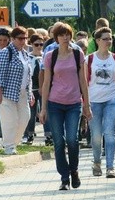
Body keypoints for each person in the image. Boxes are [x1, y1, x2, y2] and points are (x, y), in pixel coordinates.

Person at [39, 22, 91, 190]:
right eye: (61, 35)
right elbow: (46, 83)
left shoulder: (78, 54)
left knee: (72, 139)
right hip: (54, 103)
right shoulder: (50, 56)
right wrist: (44, 108)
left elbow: (83, 80)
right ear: (56, 38)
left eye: (68, 34)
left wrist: (87, 105)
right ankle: (64, 177)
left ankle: (74, 170)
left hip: (74, 103)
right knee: (59, 141)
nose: (65, 37)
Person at [87, 27, 115, 179]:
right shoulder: (89, 59)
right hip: (94, 101)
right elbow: (84, 82)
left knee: (109, 133)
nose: (108, 41)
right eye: (105, 39)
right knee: (97, 135)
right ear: (97, 41)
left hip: (112, 99)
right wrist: (84, 102)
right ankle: (97, 162)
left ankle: (110, 167)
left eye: (110, 38)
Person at [0, 27, 33, 155]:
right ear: (13, 39)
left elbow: (28, 76)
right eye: (20, 38)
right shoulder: (6, 52)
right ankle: (9, 146)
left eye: (25, 38)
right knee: (10, 120)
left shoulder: (25, 54)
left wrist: (30, 93)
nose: (23, 41)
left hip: (22, 93)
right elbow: (0, 74)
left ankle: (13, 143)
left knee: (25, 118)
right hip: (7, 92)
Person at [22, 34, 44, 144]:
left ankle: (48, 135)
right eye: (36, 44)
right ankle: (29, 134)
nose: (39, 46)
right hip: (32, 88)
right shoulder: (27, 57)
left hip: (44, 89)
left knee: (45, 111)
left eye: (41, 44)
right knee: (31, 112)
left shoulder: (46, 57)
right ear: (32, 44)